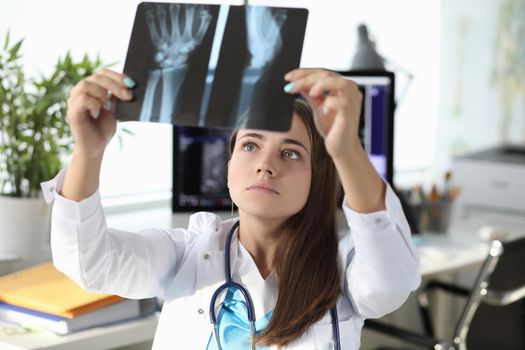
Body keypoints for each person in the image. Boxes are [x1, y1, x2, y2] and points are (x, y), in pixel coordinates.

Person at [41, 68, 420, 349]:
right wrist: (88, 152)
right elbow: (89, 261)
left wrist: (347, 150)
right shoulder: (187, 252)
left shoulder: (346, 266)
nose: (265, 165)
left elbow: (390, 282)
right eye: (251, 145)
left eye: (290, 153)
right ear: (228, 167)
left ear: (319, 176)